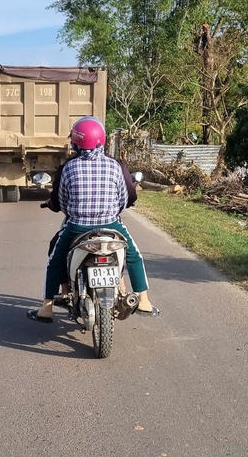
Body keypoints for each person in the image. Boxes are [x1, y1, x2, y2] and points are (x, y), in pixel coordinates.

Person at [27, 116, 158, 323]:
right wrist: (110, 213)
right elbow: (123, 199)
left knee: (55, 260)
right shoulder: (115, 166)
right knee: (134, 256)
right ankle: (144, 300)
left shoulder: (69, 167)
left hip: (77, 227)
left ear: (77, 143)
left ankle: (47, 308)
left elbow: (61, 200)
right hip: (111, 226)